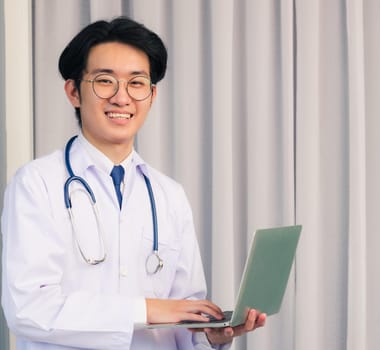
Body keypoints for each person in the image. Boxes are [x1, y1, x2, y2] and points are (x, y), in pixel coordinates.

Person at [1, 17, 266, 349]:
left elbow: (183, 313)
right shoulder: (36, 183)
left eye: (136, 83)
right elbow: (28, 310)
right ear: (73, 92)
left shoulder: (169, 195)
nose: (121, 98)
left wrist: (210, 335)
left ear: (152, 95)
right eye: (104, 81)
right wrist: (148, 310)